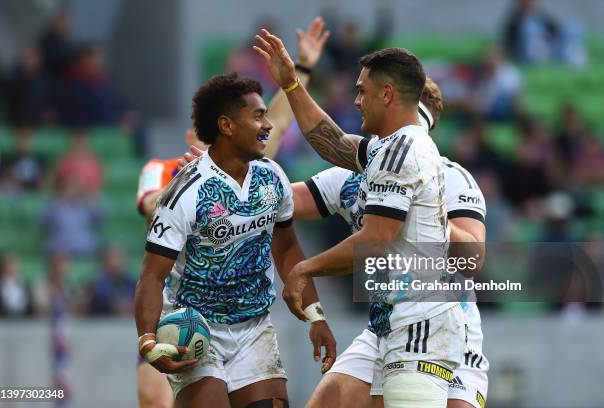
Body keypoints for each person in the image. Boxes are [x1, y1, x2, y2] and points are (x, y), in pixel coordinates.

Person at [182, 78, 489, 408]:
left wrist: (428, 211)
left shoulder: (450, 177)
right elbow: (275, 201)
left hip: (445, 335)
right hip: (383, 329)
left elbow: (471, 258)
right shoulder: (350, 178)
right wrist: (221, 176)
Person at [254, 32, 464, 407]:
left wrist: (305, 269)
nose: (356, 100)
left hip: (419, 322)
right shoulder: (389, 148)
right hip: (388, 321)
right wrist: (289, 82)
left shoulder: (403, 152)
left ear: (386, 94)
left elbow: (376, 239)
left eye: (362, 91)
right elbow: (331, 141)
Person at [135, 18, 331, 408]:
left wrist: (316, 315)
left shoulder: (268, 175)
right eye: (255, 118)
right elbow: (151, 262)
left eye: (263, 117)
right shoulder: (177, 184)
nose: (266, 127)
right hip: (193, 325)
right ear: (219, 128)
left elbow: (288, 248)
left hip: (255, 327)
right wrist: (147, 340)